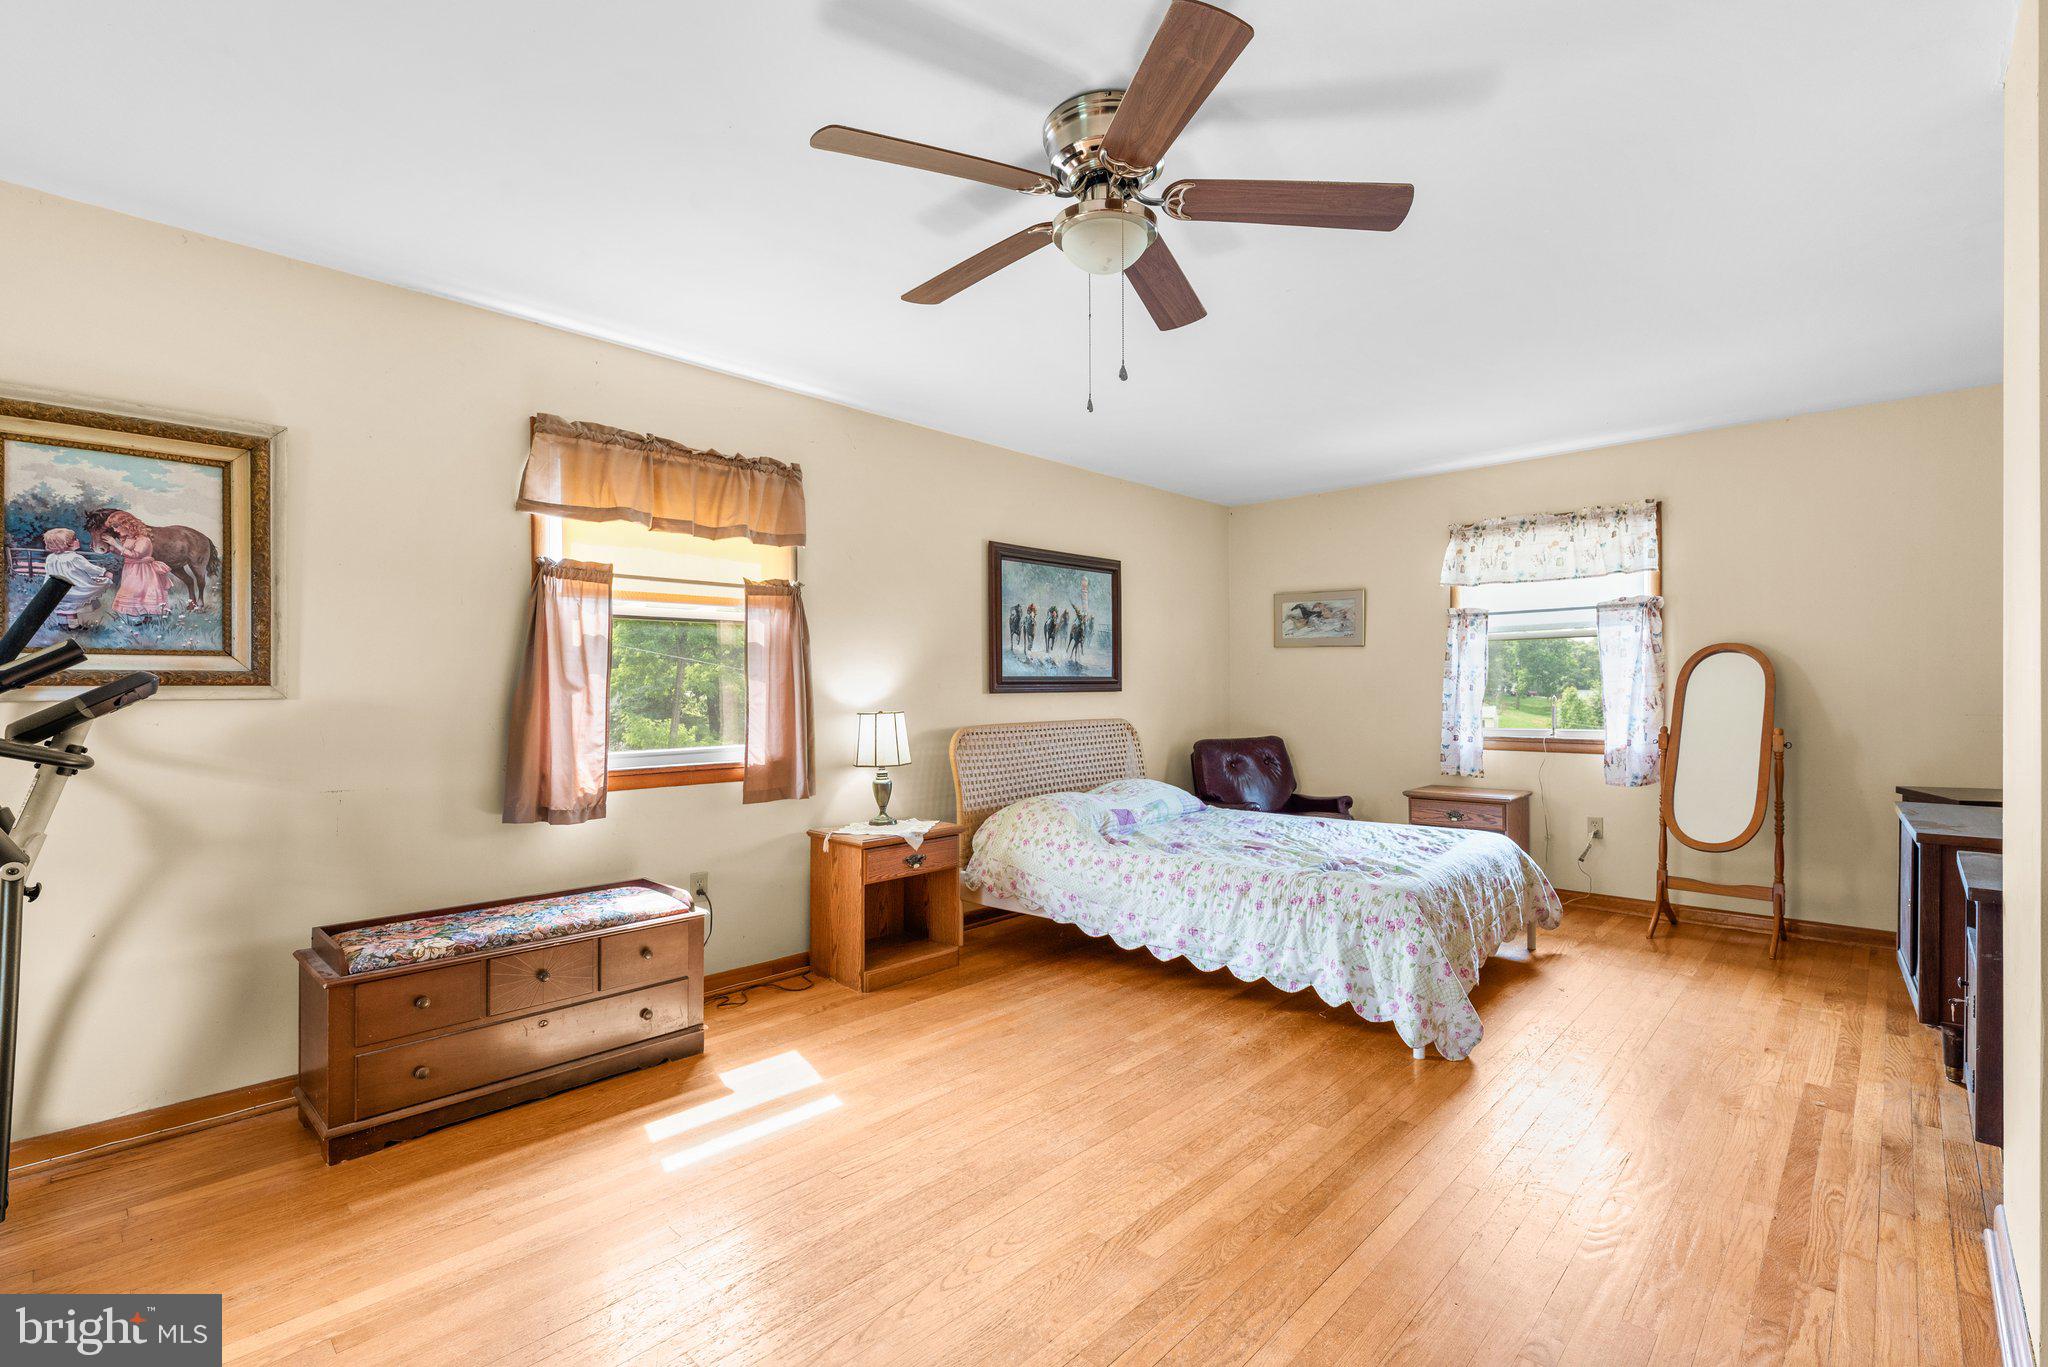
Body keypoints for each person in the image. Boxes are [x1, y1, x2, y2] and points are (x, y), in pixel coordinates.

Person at [39, 528, 113, 630]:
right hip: (73, 589)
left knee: (61, 607)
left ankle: (63, 624)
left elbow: (48, 573)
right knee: (71, 609)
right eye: (74, 539)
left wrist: (46, 588)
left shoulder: (50, 558)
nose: (77, 540)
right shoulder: (74, 557)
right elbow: (89, 568)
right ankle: (73, 626)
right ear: (67, 544)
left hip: (56, 589)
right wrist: (104, 572)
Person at [110, 521, 171, 619]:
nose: (115, 530)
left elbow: (135, 555)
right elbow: (125, 553)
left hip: (142, 570)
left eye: (116, 526)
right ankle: (138, 618)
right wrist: (114, 549)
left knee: (141, 592)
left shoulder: (143, 540)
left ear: (127, 525)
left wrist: (115, 544)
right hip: (130, 569)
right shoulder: (128, 539)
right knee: (131, 593)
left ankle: (148, 617)